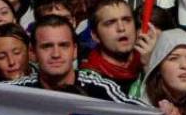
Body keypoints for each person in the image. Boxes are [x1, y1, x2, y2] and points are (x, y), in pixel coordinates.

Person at [9, 15, 141, 104]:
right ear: (32, 52)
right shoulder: (16, 91)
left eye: (64, 46)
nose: (56, 54)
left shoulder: (100, 89)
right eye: (47, 46)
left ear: (75, 51)